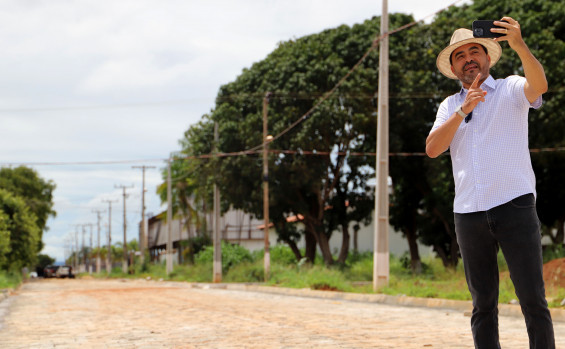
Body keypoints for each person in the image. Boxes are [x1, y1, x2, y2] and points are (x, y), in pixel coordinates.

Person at [426, 17, 555, 348]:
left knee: (532, 300)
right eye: (460, 55)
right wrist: (460, 112)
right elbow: (432, 149)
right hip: (468, 214)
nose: (468, 58)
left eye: (474, 51)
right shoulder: (449, 106)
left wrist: (520, 45)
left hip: (514, 205)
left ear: (487, 58)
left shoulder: (510, 87)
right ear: (454, 67)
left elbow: (538, 86)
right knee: (482, 306)